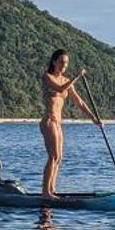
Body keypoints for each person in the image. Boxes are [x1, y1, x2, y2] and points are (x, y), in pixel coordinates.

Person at [40, 49, 91, 199]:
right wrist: (76, 76)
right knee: (53, 156)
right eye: (61, 62)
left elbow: (79, 102)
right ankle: (45, 193)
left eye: (66, 63)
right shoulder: (47, 77)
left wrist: (94, 118)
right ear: (54, 62)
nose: (64, 65)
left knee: (60, 157)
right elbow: (60, 89)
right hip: (49, 121)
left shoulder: (66, 80)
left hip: (58, 123)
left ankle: (52, 189)